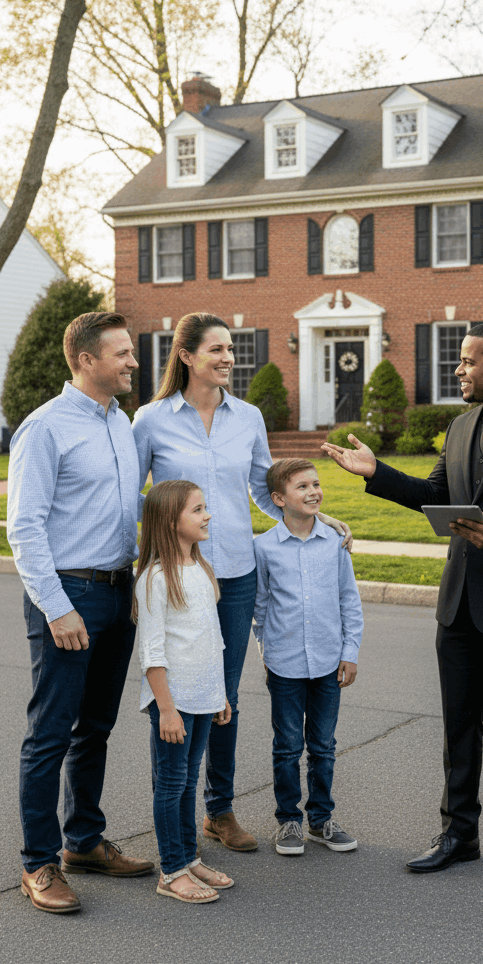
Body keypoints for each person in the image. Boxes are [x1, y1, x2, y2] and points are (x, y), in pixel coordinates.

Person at [322, 322, 483, 893]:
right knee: (458, 729)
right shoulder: (461, 425)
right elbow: (437, 496)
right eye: (460, 362)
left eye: (468, 361)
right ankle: (458, 835)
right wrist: (377, 474)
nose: (459, 370)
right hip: (461, 605)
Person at [131, 313, 350, 852]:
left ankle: (218, 810)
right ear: (185, 356)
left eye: (232, 349)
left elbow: (263, 488)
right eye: (217, 350)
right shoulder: (151, 420)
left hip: (235, 573)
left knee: (222, 695)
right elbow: (133, 494)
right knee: (178, 693)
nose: (229, 357)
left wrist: (315, 523)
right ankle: (177, 815)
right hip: (180, 577)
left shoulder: (247, 416)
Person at [7, 311, 153, 914]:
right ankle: (38, 863)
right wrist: (59, 607)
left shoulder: (121, 422)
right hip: (69, 596)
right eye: (121, 353)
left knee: (96, 727)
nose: (133, 361)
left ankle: (84, 842)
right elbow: (23, 527)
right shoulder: (45, 427)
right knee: (50, 733)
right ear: (87, 360)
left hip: (120, 592)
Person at [253, 459, 364, 856]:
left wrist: (349, 653)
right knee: (286, 745)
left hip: (328, 663)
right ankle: (288, 821)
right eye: (302, 487)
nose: (314, 491)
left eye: (316, 484)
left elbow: (348, 600)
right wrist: (266, 652)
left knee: (323, 745)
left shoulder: (334, 543)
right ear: (279, 499)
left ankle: (321, 819)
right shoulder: (263, 547)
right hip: (283, 664)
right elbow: (260, 607)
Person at [133, 480, 235, 904]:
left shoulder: (201, 568)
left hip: (204, 695)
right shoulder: (156, 579)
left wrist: (221, 694)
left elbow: (213, 641)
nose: (207, 515)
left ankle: (189, 857)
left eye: (205, 507)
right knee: (171, 784)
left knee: (189, 780)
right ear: (170, 521)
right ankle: (171, 870)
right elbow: (152, 655)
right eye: (197, 510)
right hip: (173, 702)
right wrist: (167, 709)